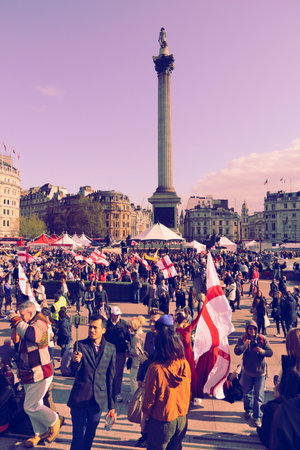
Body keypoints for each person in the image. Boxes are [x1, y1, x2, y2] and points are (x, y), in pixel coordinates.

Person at [9, 301, 64, 448]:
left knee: (30, 406)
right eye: (19, 316)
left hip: (40, 373)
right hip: (30, 372)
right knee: (36, 404)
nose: (20, 318)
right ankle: (39, 434)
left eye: (22, 315)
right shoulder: (33, 322)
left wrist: (16, 320)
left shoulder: (40, 323)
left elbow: (32, 335)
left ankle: (54, 420)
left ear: (31, 313)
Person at [67, 312, 116, 450]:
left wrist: (112, 406)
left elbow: (111, 378)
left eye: (95, 327)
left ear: (103, 330)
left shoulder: (111, 349)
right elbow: (73, 371)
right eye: (90, 327)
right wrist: (75, 361)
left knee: (90, 435)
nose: (92, 330)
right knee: (78, 436)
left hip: (97, 401)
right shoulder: (80, 345)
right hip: (80, 398)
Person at [142, 315, 191, 449]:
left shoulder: (155, 369)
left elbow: (149, 402)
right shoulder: (184, 364)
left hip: (161, 420)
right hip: (181, 418)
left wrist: (144, 421)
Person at [234, 320, 273, 427]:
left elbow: (270, 352)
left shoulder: (262, 339)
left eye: (254, 329)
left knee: (259, 396)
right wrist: (244, 346)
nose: (252, 331)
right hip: (247, 371)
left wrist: (262, 351)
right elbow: (236, 351)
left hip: (260, 372)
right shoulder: (242, 339)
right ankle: (248, 410)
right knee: (247, 394)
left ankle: (257, 417)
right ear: (247, 330)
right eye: (250, 329)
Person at [104, 306, 131, 402]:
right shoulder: (106, 324)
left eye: (118, 315)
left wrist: (128, 350)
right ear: (111, 315)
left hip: (120, 353)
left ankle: (117, 393)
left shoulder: (123, 324)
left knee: (118, 374)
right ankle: (109, 392)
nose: (117, 316)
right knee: (109, 373)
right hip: (108, 353)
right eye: (115, 315)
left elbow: (128, 337)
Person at [128, 315, 147, 395]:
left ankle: (134, 398)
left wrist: (129, 347)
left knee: (133, 380)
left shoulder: (136, 337)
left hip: (136, 362)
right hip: (143, 361)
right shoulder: (143, 334)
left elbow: (136, 352)